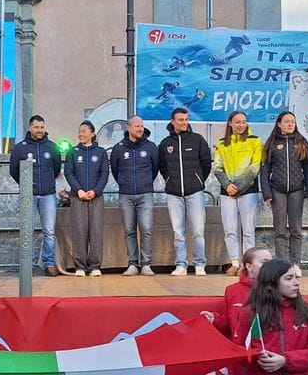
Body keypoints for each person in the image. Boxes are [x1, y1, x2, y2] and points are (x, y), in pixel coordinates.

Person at [200, 247, 273, 375]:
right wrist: (215, 320)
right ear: (249, 266)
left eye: (271, 262)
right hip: (242, 374)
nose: (269, 266)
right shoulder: (232, 291)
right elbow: (232, 325)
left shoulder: (278, 288)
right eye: (264, 262)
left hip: (268, 371)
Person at [159, 107, 212, 276]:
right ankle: (181, 264)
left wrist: (197, 180)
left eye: (186, 119)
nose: (184, 122)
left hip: (195, 192)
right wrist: (170, 180)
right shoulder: (166, 143)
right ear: (173, 122)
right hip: (174, 194)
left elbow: (206, 164)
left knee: (197, 230)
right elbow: (162, 167)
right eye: (180, 120)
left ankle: (199, 263)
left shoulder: (197, 140)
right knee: (178, 231)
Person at [9, 115, 62, 276]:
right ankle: (28, 265)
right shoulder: (20, 148)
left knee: (49, 231)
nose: (40, 130)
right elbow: (14, 171)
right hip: (28, 196)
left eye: (42, 127)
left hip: (48, 196)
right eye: (37, 127)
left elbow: (56, 169)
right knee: (27, 230)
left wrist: (45, 183)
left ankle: (49, 264)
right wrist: (25, 186)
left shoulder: (52, 147)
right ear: (30, 128)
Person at [212, 111, 262, 276]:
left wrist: (238, 186)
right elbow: (217, 167)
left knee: (248, 230)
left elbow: (254, 167)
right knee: (230, 230)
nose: (241, 125)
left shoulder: (255, 142)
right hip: (227, 193)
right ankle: (234, 262)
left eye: (243, 122)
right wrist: (228, 185)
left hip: (248, 191)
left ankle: (248, 266)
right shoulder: (221, 143)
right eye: (237, 122)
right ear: (230, 124)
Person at [261, 111, 308, 267]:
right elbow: (264, 170)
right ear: (278, 124)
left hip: (297, 190)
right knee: (280, 230)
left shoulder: (301, 142)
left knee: (296, 229)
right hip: (277, 190)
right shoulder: (271, 144)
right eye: (287, 121)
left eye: (293, 121)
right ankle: (282, 264)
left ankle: (295, 264)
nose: (290, 124)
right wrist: (266, 192)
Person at [110, 116, 159, 276]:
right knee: (129, 230)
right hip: (126, 195)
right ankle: (132, 263)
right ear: (129, 128)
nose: (140, 129)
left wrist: (145, 183)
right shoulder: (118, 148)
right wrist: (125, 183)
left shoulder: (151, 147)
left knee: (146, 229)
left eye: (142, 126)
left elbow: (156, 168)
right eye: (137, 126)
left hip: (145, 194)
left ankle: (146, 264)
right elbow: (116, 171)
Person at [64, 121, 109, 277]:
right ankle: (80, 267)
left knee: (96, 231)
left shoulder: (101, 152)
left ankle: (95, 266)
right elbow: (69, 173)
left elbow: (104, 175)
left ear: (92, 133)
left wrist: (95, 191)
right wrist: (79, 190)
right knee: (79, 232)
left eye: (84, 131)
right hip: (78, 198)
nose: (81, 134)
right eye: (79, 131)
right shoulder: (72, 152)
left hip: (96, 198)